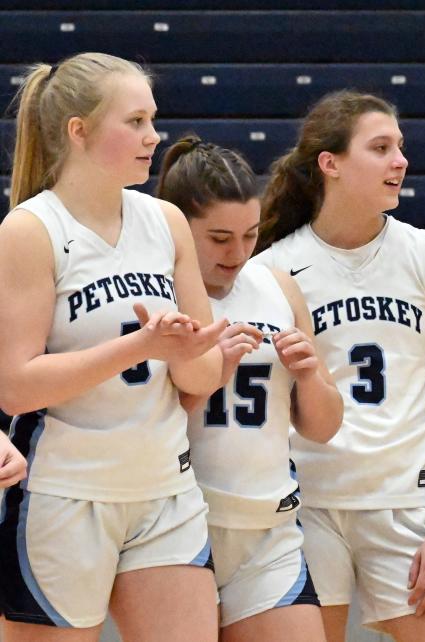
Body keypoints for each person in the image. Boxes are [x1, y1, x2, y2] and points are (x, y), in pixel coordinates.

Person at [0, 53, 227, 642]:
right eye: (135, 122)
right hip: (65, 496)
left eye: (153, 120)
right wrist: (139, 347)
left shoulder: (167, 221)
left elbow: (201, 375)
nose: (154, 137)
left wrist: (185, 354)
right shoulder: (31, 230)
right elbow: (16, 383)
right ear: (79, 131)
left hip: (165, 490)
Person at [252, 90, 425, 642]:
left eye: (400, 147)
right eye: (380, 148)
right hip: (308, 504)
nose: (400, 160)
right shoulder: (273, 268)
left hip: (408, 501)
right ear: (329, 164)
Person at [155, 136, 343, 642]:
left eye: (250, 234)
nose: (238, 253)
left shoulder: (278, 285)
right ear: (175, 226)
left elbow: (323, 427)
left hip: (270, 527)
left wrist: (308, 375)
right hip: (180, 524)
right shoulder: (155, 292)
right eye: (218, 238)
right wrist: (215, 367)